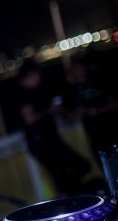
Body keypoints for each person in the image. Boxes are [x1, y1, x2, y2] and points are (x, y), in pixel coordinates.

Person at [16, 60, 90, 196]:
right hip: (41, 142)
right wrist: (49, 110)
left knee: (79, 167)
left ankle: (69, 194)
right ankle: (65, 198)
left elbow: (51, 111)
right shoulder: (23, 94)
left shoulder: (37, 91)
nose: (39, 78)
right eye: (37, 74)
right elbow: (30, 119)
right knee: (62, 175)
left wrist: (67, 113)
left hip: (51, 139)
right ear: (30, 75)